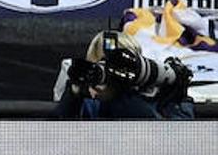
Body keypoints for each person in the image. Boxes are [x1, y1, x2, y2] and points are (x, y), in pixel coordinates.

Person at [53, 29, 194, 120]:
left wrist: (119, 96)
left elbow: (177, 142)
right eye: (103, 64)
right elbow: (58, 137)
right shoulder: (86, 100)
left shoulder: (153, 95)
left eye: (123, 65)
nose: (112, 71)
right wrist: (73, 94)